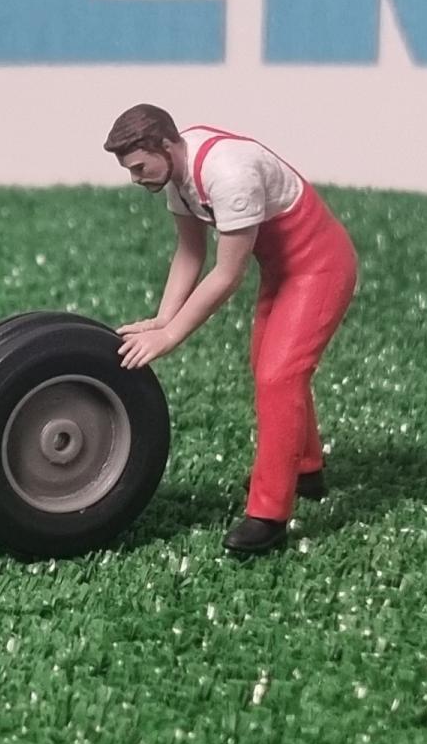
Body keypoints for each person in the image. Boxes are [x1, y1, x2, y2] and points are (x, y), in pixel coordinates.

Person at [105, 103, 357, 554]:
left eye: (139, 167)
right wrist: (164, 316)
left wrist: (171, 336)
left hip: (319, 269)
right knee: (269, 368)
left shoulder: (228, 175)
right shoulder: (176, 174)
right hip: (282, 271)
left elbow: (227, 275)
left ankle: (269, 514)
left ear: (166, 145)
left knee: (279, 377)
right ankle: (305, 468)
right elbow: (190, 252)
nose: (135, 178)